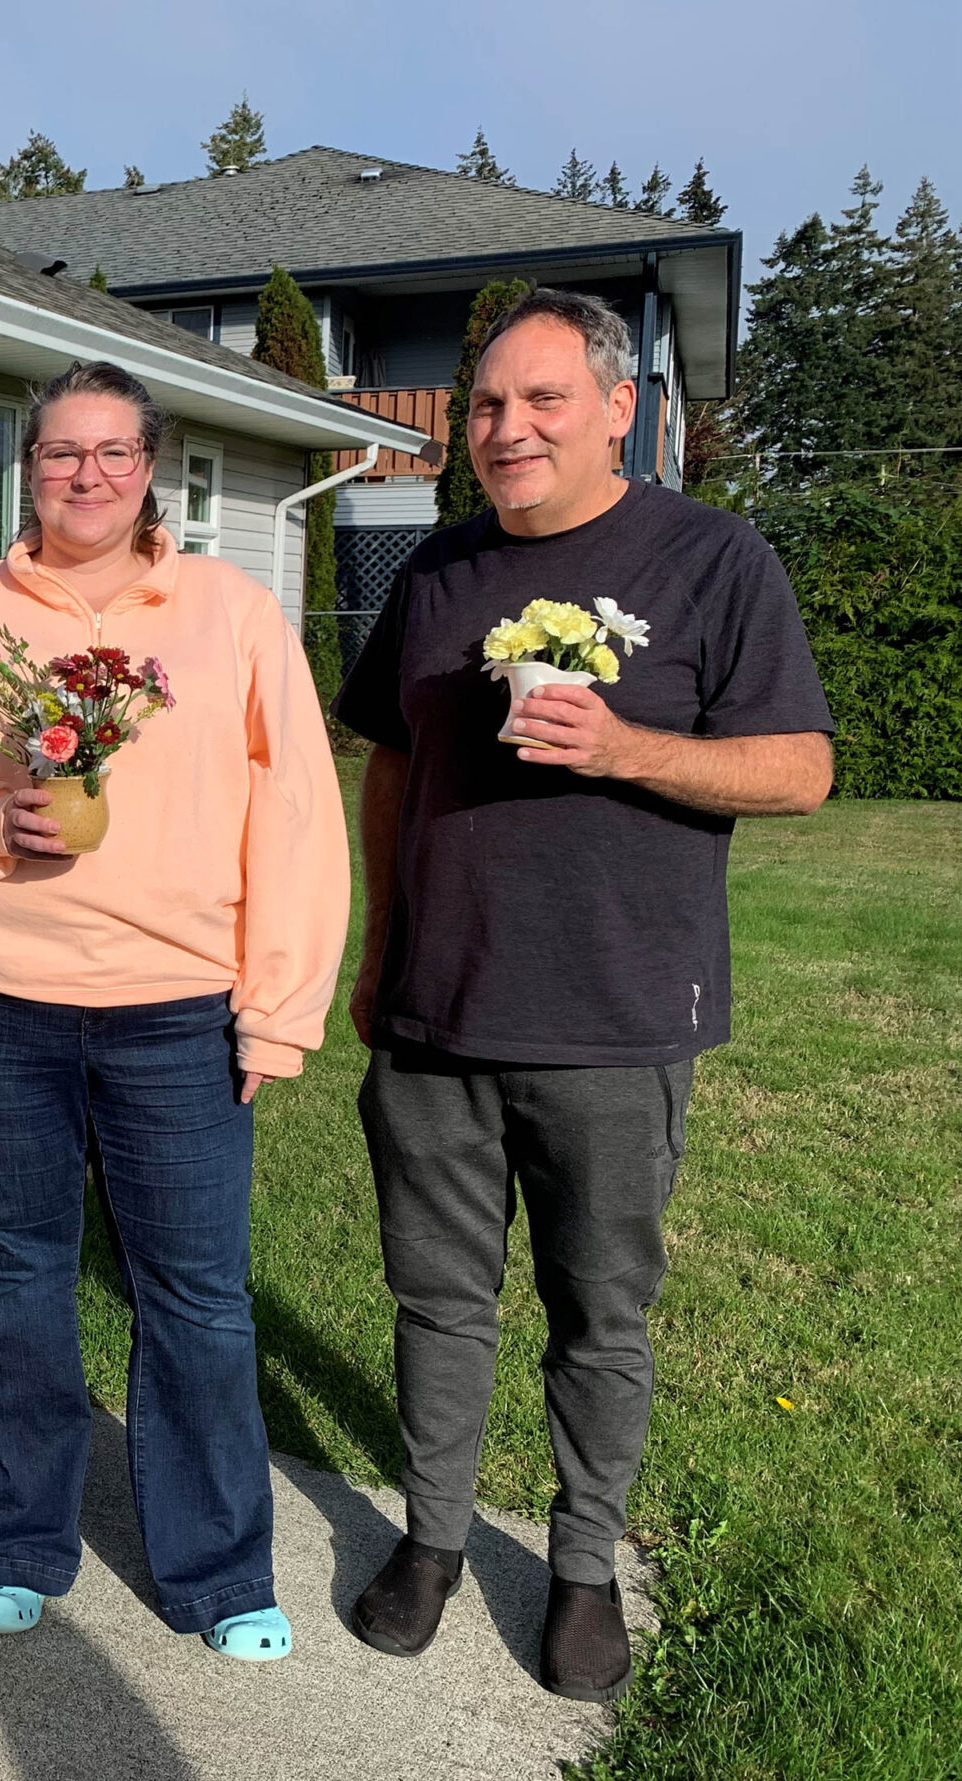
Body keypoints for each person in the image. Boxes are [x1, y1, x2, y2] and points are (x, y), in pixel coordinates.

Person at [334, 288, 832, 1701]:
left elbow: (800, 768)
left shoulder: (711, 559)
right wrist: (381, 954)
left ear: (622, 409)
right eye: (487, 404)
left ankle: (582, 1567)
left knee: (598, 1313)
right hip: (436, 1015)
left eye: (543, 400)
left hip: (615, 1021)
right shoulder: (436, 573)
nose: (507, 427)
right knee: (437, 1301)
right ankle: (431, 1544)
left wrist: (626, 748)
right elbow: (389, 764)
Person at [0, 360, 346, 1659]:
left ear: (152, 466)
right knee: (10, 1277)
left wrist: (276, 1010)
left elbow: (296, 819)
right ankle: (13, 1540)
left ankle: (220, 1570)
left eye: (114, 453)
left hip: (176, 1010)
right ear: (29, 466)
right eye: (64, 453)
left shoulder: (227, 613)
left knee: (198, 1296)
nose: (88, 476)